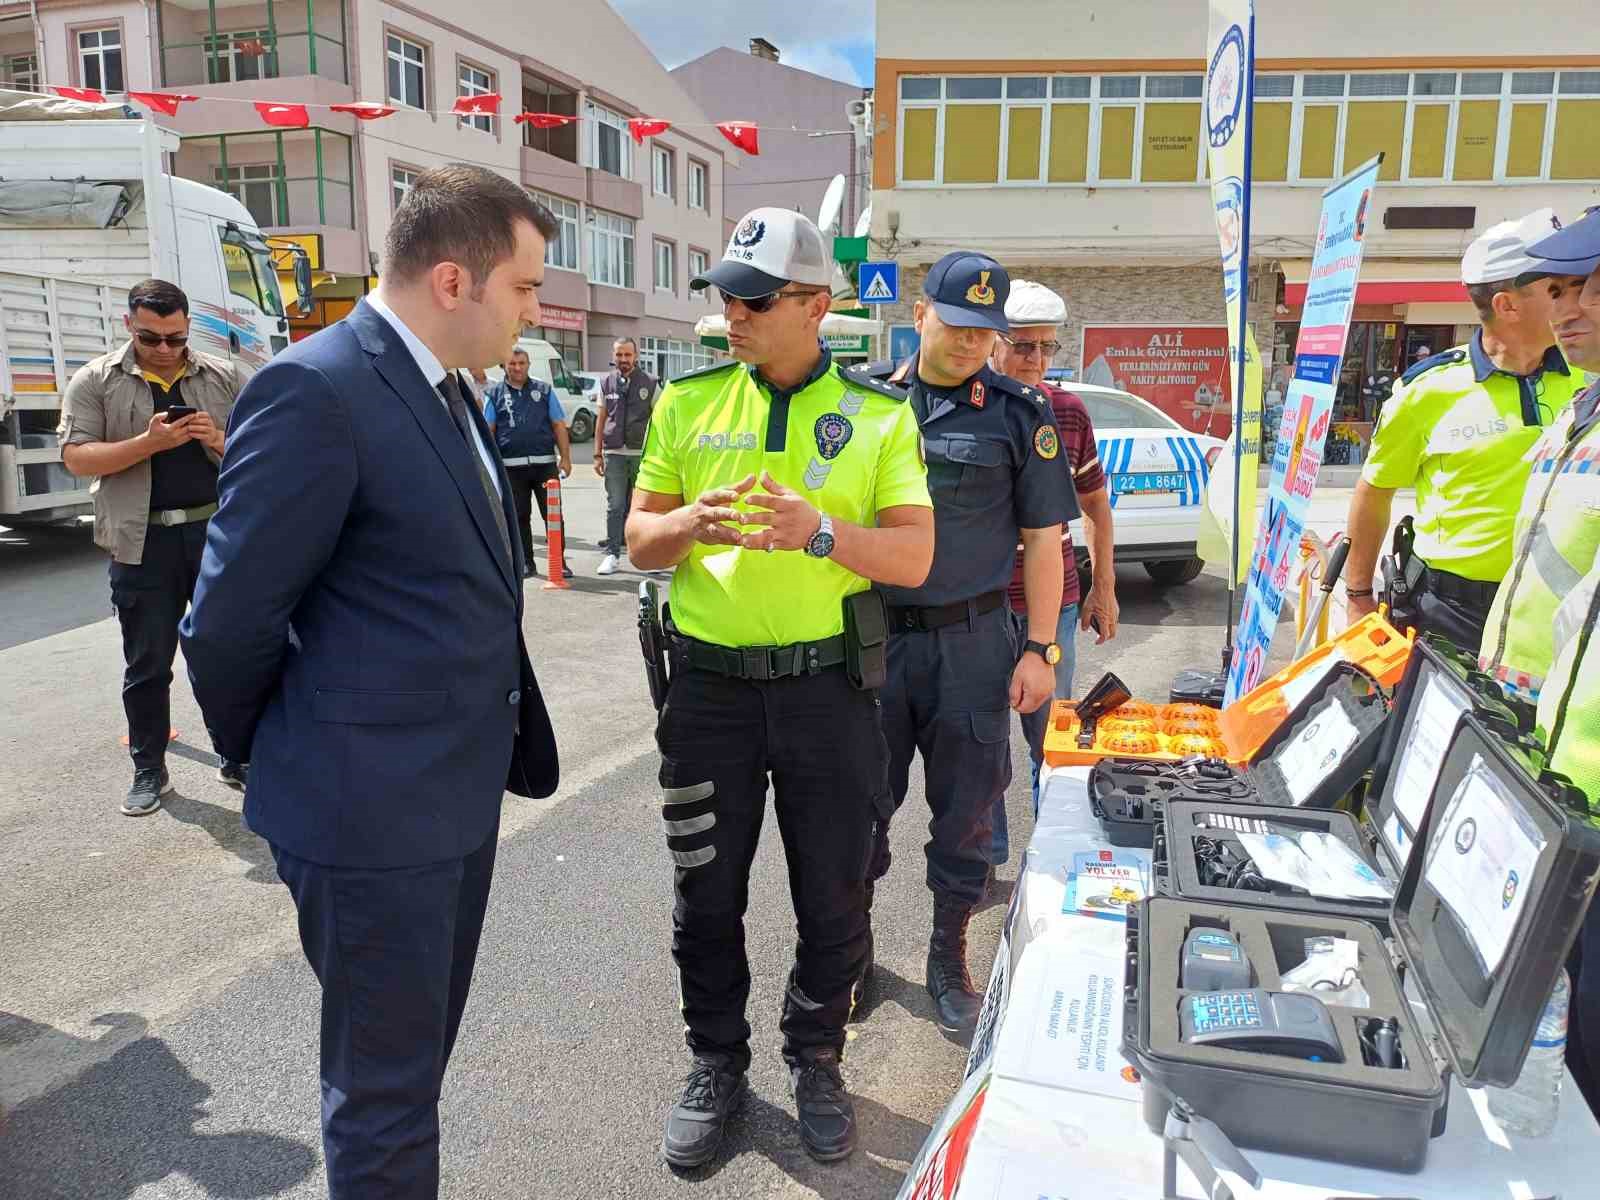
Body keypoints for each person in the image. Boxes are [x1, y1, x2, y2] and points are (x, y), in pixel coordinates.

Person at [179, 165, 560, 1199]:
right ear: (453, 280)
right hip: (366, 814)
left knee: (409, 1073)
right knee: (384, 1097)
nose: (535, 309)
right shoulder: (318, 387)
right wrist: (279, 754)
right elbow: (227, 621)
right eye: (524, 288)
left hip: (446, 800)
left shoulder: (447, 391)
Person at [627, 207, 933, 1168]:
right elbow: (637, 540)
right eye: (725, 295)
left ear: (816, 305)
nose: (733, 314)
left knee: (833, 892)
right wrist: (690, 526)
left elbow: (917, 559)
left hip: (828, 693)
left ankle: (817, 1057)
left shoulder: (881, 416)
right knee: (704, 893)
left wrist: (821, 533)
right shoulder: (686, 404)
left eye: (754, 299)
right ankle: (717, 1061)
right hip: (707, 694)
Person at [849, 252, 1078, 1039]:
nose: (970, 345)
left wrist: (1041, 650)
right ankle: (855, 955)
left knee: (969, 816)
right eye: (956, 326)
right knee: (857, 809)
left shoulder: (1019, 415)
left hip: (977, 644)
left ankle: (947, 956)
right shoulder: (864, 401)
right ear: (920, 314)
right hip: (871, 644)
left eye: (986, 334)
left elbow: (1045, 544)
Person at [1475, 208, 1600, 1116]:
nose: (1568, 309)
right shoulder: (1581, 407)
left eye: (1586, 288)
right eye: (1558, 289)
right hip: (1550, 752)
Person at [1344, 208, 1582, 647]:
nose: (1574, 301)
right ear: (1506, 305)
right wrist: (1358, 595)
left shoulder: (1589, 377)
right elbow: (1375, 489)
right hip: (1452, 614)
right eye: (1555, 289)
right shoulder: (1427, 391)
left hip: (1560, 607)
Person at [57, 278, 249, 816]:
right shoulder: (96, 380)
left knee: (227, 654)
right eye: (151, 338)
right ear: (128, 326)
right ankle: (149, 767)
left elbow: (269, 453)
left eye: (176, 338)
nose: (164, 349)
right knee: (147, 664)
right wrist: (149, 443)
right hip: (141, 543)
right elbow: (76, 458)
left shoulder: (226, 375)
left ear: (189, 329)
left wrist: (217, 441)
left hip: (217, 536)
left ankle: (237, 755)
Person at [987, 281, 1118, 870]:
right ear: (993, 344)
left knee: (1053, 739)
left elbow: (1096, 507)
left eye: (1046, 347)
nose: (1036, 360)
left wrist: (1103, 589)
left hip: (1055, 607)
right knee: (983, 747)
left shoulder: (1067, 414)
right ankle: (983, 862)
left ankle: (1050, 853)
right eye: (1023, 346)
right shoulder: (969, 408)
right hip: (980, 608)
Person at [483, 347, 571, 578]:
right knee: (520, 516)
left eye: (522, 363)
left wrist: (566, 458)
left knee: (553, 515)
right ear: (505, 365)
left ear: (528, 364)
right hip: (511, 468)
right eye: (513, 363)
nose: (517, 367)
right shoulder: (494, 394)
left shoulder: (543, 390)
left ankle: (558, 562)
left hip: (545, 465)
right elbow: (488, 431)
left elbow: (558, 425)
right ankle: (526, 563)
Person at [594, 337, 656, 575]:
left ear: (636, 356)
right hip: (614, 453)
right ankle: (612, 554)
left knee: (645, 506)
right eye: (619, 355)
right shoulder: (605, 383)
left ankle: (647, 555)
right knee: (615, 505)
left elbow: (660, 420)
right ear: (614, 356)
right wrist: (597, 454)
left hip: (642, 454)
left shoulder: (651, 383)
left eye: (627, 355)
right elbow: (600, 419)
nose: (623, 360)